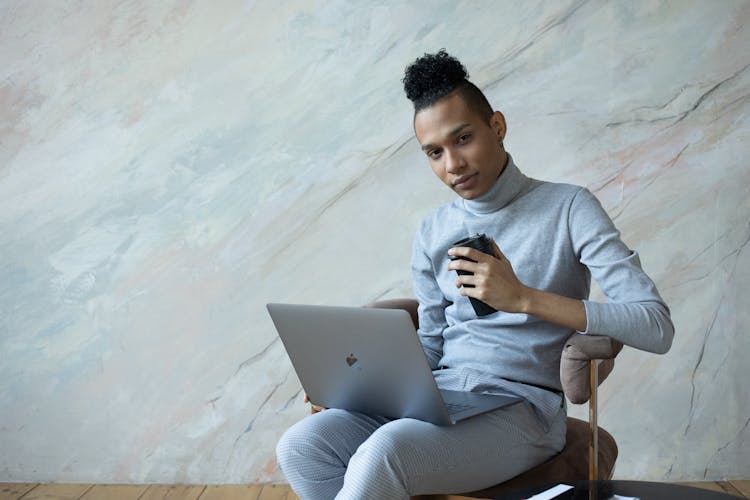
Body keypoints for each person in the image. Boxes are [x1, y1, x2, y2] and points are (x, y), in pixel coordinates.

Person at [275, 49, 674, 500]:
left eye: (463, 139)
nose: (453, 165)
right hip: (444, 396)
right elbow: (430, 343)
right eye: (434, 152)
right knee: (301, 445)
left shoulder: (569, 207)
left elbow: (656, 326)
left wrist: (522, 298)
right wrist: (355, 383)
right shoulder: (432, 231)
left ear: (497, 126)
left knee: (385, 453)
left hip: (525, 409)